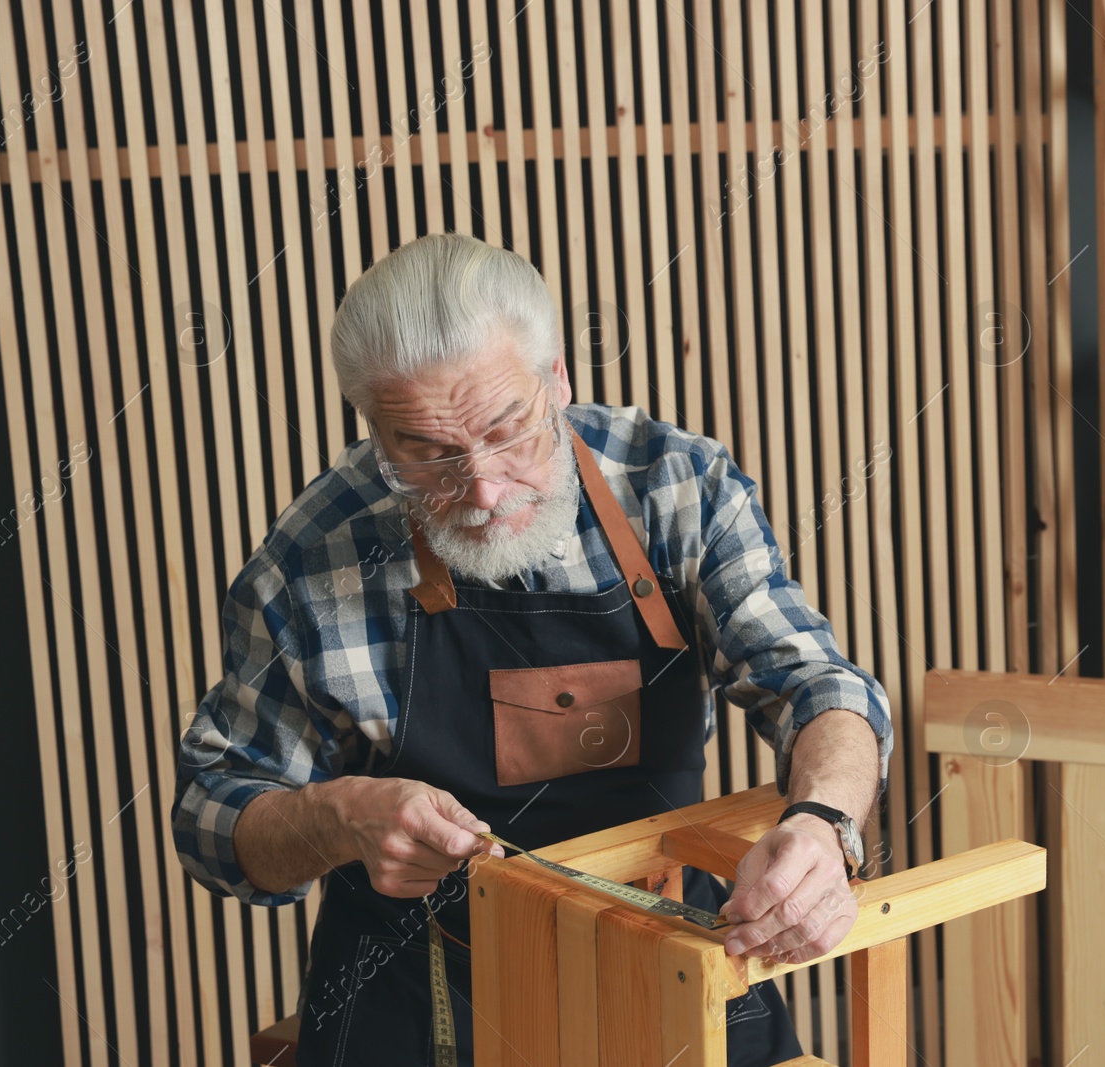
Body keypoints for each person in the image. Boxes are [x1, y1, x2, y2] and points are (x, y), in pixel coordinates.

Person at [172, 232, 892, 1066]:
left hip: (669, 953)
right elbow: (210, 810)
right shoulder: (314, 559)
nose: (481, 488)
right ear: (374, 430)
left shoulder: (673, 486)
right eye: (427, 450)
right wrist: (337, 817)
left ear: (557, 379)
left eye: (508, 426)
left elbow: (816, 683)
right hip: (422, 984)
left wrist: (824, 822)